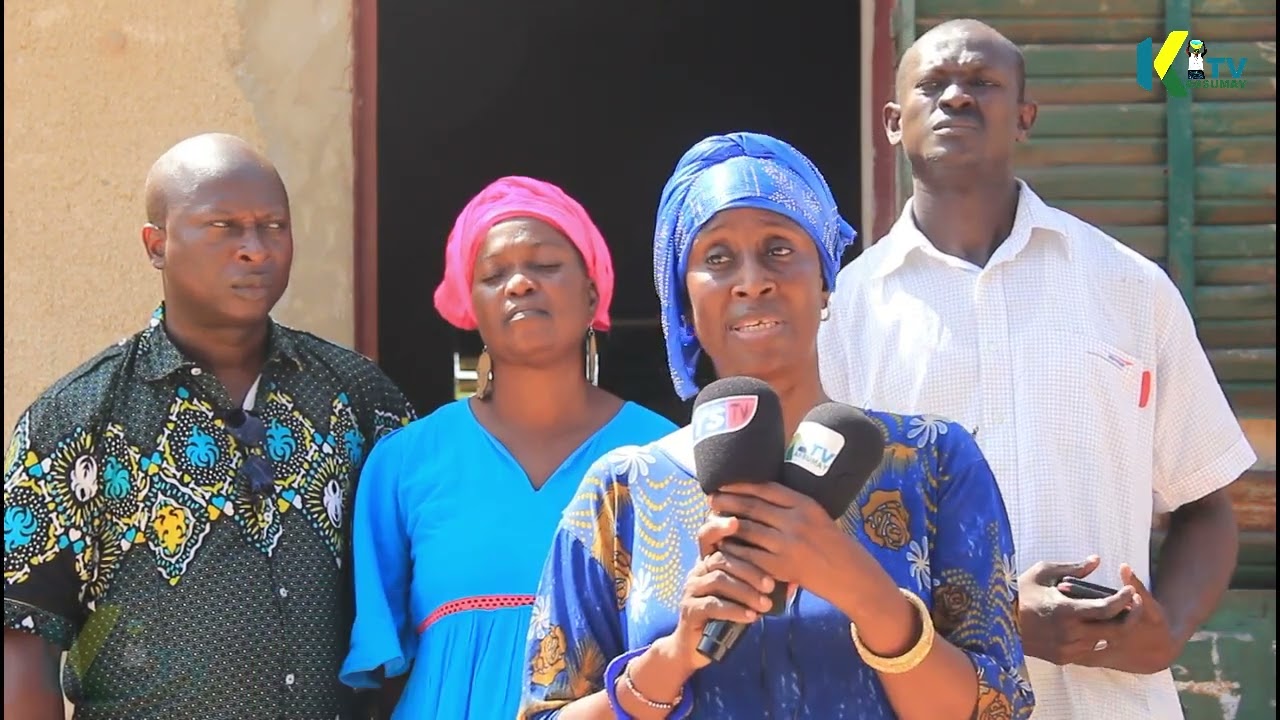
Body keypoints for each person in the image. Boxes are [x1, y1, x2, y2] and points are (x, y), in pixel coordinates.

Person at [817, 19, 1254, 720]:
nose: (957, 97)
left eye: (982, 83)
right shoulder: (844, 315)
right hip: (926, 699)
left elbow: (1205, 503)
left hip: (1112, 702)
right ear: (893, 122)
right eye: (934, 85)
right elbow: (823, 542)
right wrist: (997, 614)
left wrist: (1168, 628)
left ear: (1025, 117)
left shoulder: (1128, 288)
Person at [516, 133, 1035, 720]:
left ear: (825, 282)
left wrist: (866, 594)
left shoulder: (934, 463)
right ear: (684, 301)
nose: (751, 281)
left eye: (779, 249)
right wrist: (672, 658)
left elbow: (999, 708)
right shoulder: (622, 493)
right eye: (717, 258)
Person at [2, 133, 416, 720]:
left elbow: (422, 594)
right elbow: (22, 637)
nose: (255, 249)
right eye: (223, 227)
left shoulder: (361, 400)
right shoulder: (76, 420)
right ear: (157, 245)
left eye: (273, 226)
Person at [339, 176, 676, 720]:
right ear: (470, 306)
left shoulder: (663, 455)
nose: (519, 284)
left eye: (545, 265)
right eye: (494, 274)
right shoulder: (405, 463)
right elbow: (383, 681)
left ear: (592, 293)